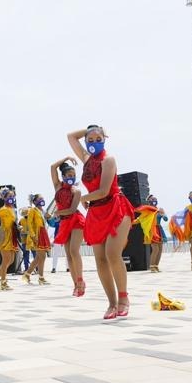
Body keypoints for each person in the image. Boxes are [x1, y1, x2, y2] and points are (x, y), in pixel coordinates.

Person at [69, 125, 134, 319]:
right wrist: (91, 128)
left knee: (112, 253)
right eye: (90, 140)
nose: (94, 143)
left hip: (115, 208)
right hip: (96, 213)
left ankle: (124, 298)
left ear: (105, 140)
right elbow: (71, 136)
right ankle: (112, 303)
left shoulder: (108, 160)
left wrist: (83, 198)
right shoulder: (87, 159)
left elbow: (105, 191)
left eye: (99, 139)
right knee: (100, 259)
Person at [50, 158, 86, 296]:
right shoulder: (58, 186)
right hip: (64, 222)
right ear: (63, 176)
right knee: (69, 255)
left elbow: (72, 209)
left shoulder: (76, 191)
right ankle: (75, 284)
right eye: (69, 175)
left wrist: (57, 212)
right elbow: (53, 166)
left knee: (74, 250)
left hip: (76, 220)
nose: (72, 177)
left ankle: (81, 280)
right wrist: (66, 158)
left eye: (73, 175)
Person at [0, 186, 19, 290]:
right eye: (9, 196)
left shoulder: (12, 209)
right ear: (4, 197)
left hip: (12, 236)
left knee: (10, 260)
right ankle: (3, 283)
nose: (12, 198)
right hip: (5, 236)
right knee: (6, 260)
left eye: (13, 196)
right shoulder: (4, 209)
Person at [134, 194, 168, 272]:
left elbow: (166, 219)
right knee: (155, 249)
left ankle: (156, 266)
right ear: (149, 202)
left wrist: (163, 214)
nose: (154, 201)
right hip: (152, 230)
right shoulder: (147, 211)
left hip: (159, 229)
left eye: (155, 199)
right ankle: (152, 266)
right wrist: (130, 222)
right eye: (152, 200)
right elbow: (139, 219)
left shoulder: (159, 210)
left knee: (160, 249)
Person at [22, 193, 51, 284]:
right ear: (34, 201)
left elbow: (48, 221)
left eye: (42, 198)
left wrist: (51, 217)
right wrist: (33, 235)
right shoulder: (32, 210)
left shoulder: (43, 211)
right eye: (40, 198)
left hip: (43, 233)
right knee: (42, 256)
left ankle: (27, 274)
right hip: (37, 234)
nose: (42, 200)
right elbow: (29, 223)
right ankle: (41, 278)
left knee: (39, 257)